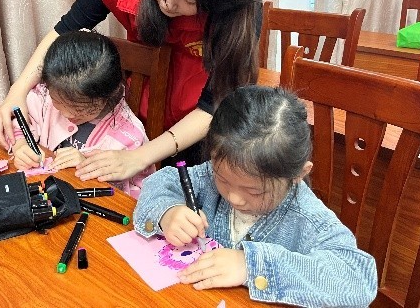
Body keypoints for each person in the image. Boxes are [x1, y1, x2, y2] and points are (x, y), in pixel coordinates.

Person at [0, 0, 264, 184]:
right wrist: (18, 90)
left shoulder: (239, 9)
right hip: (143, 114)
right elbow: (66, 29)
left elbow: (213, 105)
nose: (167, 3)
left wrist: (140, 157)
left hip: (199, 128)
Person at [133, 86, 377, 307]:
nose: (234, 198)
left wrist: (251, 266)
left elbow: (358, 281)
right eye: (223, 179)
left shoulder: (309, 219)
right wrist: (168, 211)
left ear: (297, 175)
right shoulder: (210, 176)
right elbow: (159, 182)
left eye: (254, 191)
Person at [5, 30, 153, 198]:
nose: (67, 113)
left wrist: (90, 168)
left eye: (81, 109)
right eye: (57, 102)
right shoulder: (44, 96)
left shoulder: (131, 137)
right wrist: (21, 145)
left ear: (108, 95)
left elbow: (138, 196)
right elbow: (19, 122)